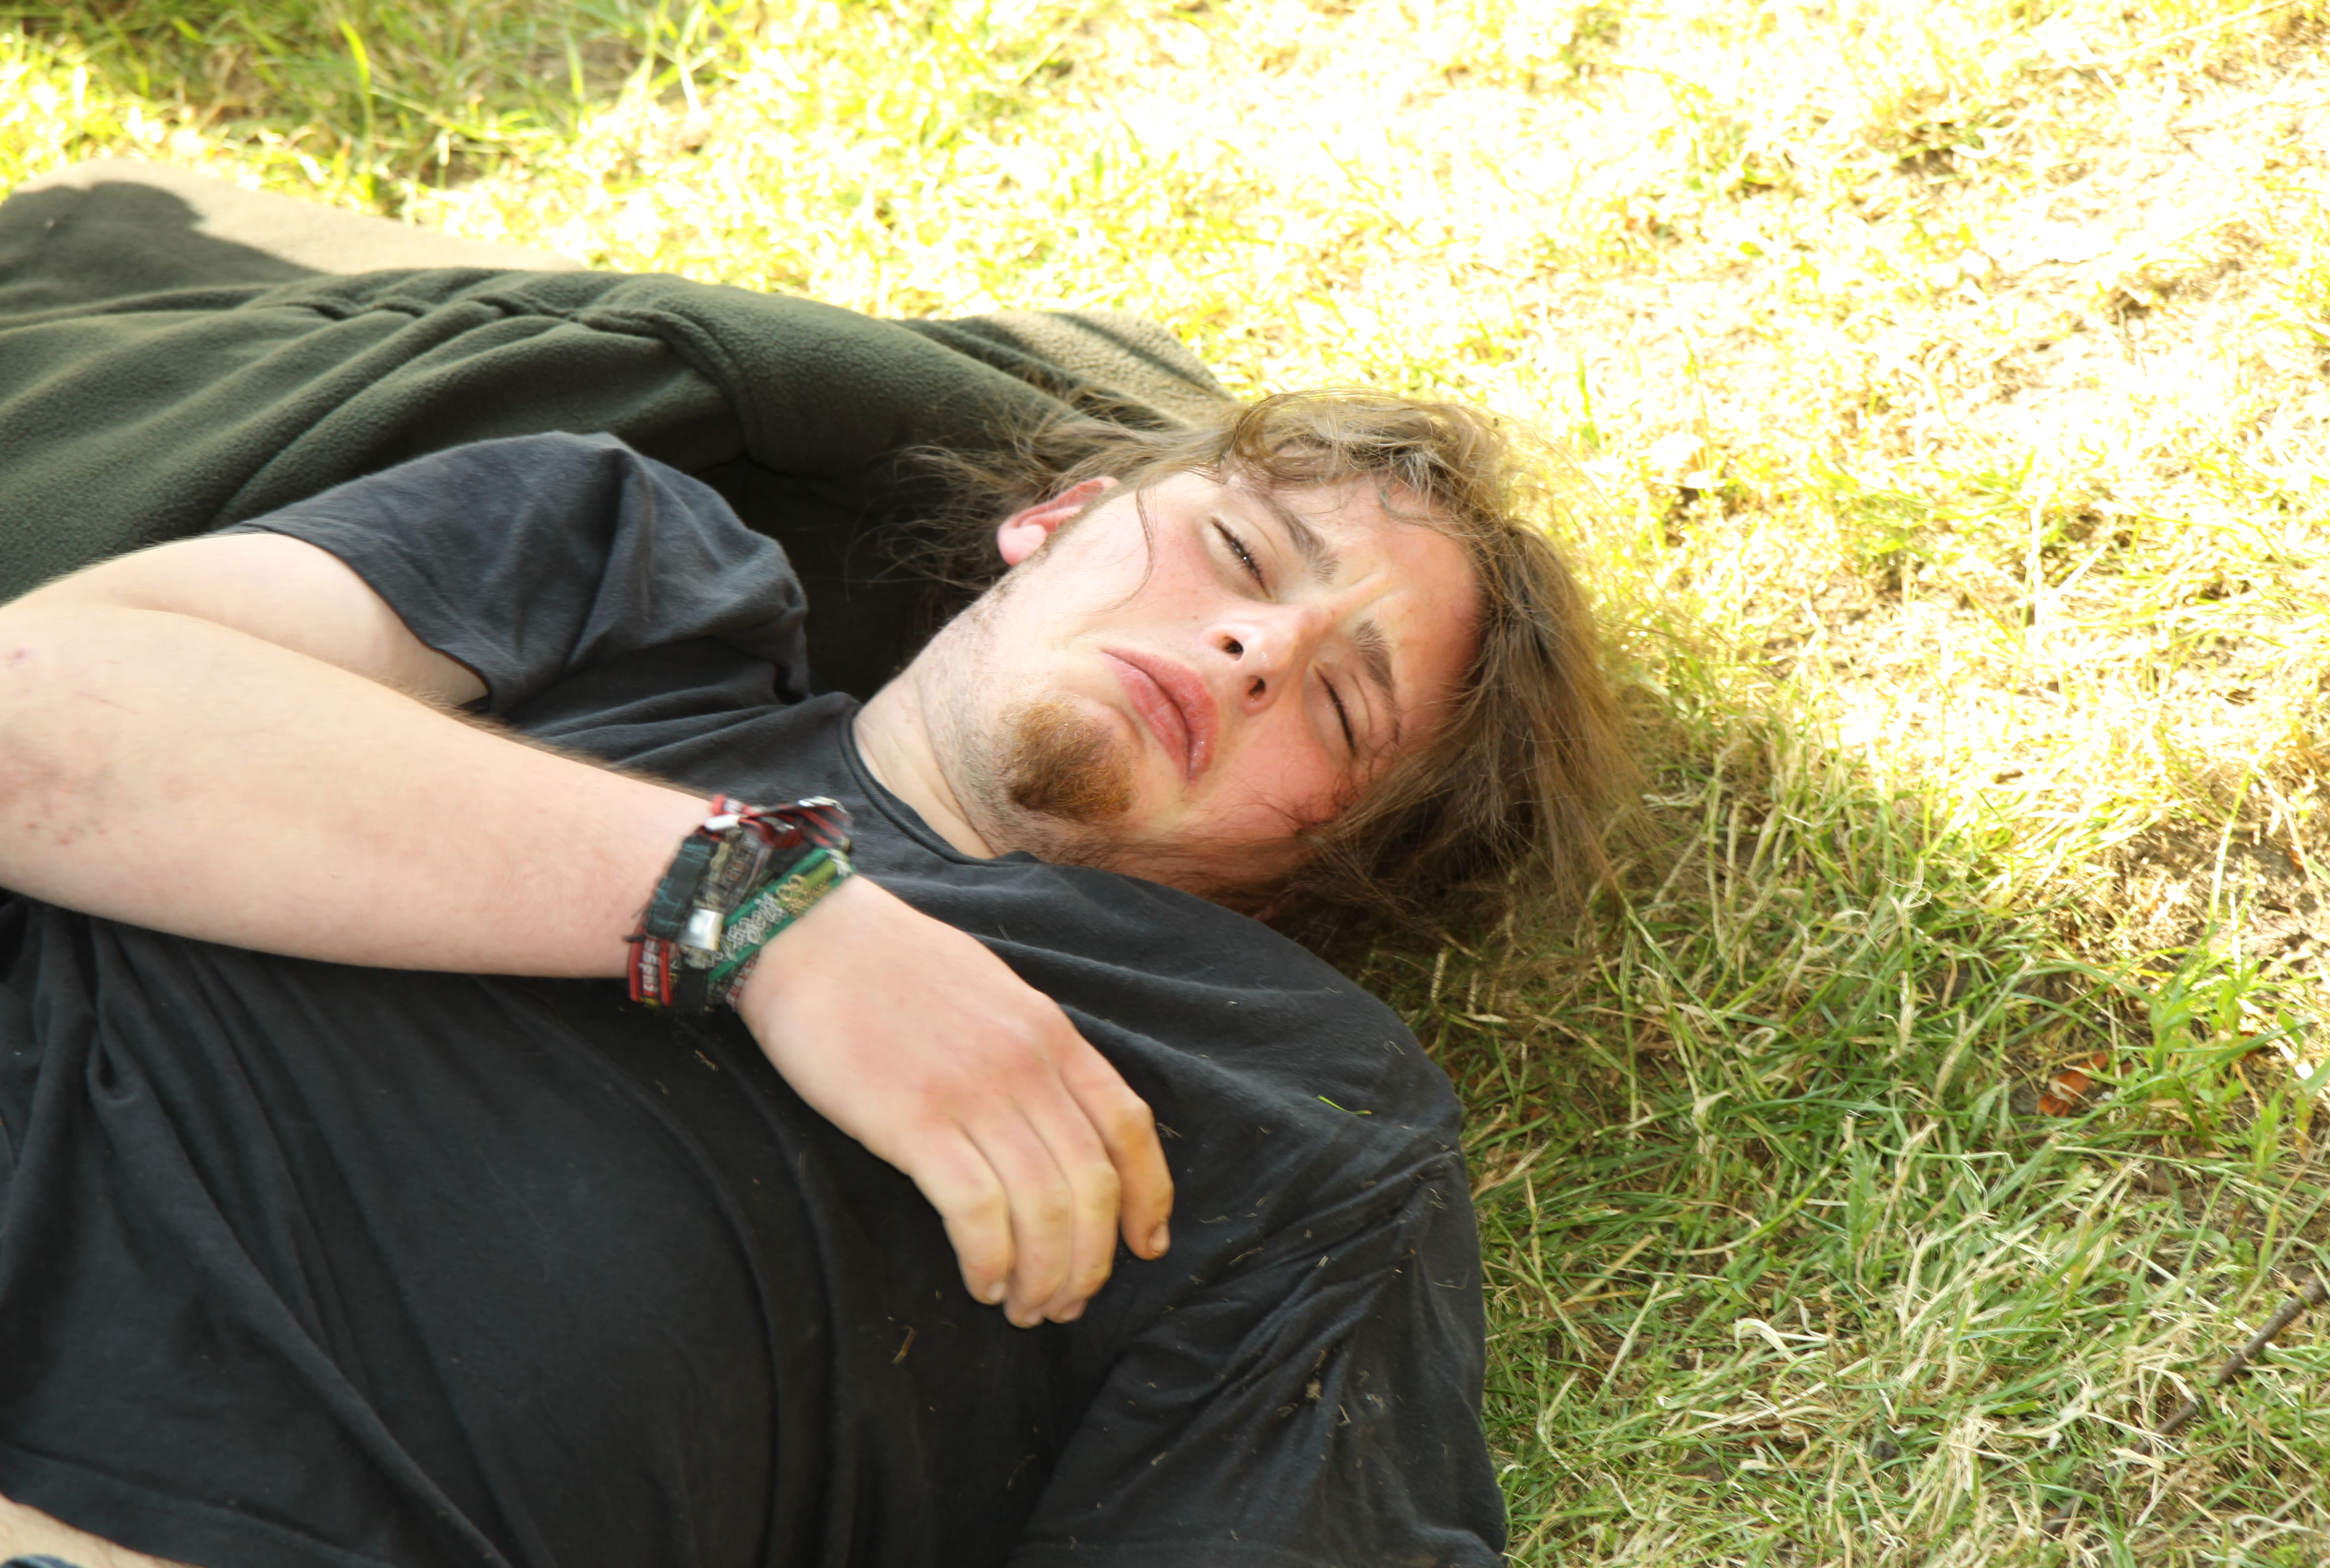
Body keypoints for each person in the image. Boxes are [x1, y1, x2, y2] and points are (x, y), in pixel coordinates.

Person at [0, 391, 1625, 1568]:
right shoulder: (620, 572)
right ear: (1058, 516)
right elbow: (35, 706)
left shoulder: (1284, 1107)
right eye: (1240, 551)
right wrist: (756, 910)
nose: (1258, 651)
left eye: (1342, 706)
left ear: (1309, 868)